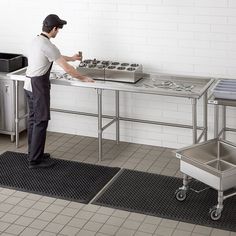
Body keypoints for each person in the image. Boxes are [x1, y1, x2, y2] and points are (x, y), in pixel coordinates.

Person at [24, 14, 94, 169]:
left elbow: (56, 57)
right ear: (54, 29)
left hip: (28, 84)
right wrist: (83, 78)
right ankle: (35, 161)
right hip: (38, 87)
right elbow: (66, 68)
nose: (59, 32)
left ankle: (33, 153)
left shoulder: (37, 40)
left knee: (34, 120)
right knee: (41, 121)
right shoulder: (49, 45)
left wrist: (73, 57)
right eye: (59, 29)